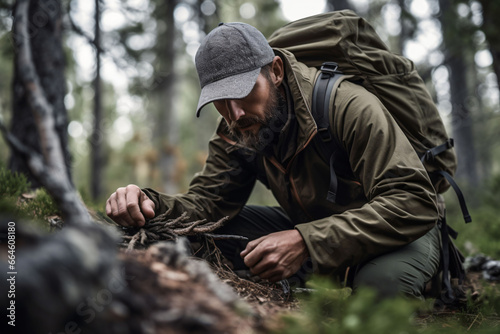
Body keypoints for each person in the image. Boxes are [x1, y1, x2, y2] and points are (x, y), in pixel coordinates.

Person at [106, 21, 441, 299]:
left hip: (399, 229)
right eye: (221, 101)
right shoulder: (237, 128)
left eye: (243, 91)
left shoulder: (348, 107)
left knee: (382, 290)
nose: (234, 113)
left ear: (276, 72)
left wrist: (307, 242)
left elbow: (414, 201)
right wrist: (148, 203)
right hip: (310, 228)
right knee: (191, 236)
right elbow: (206, 205)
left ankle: (421, 276)